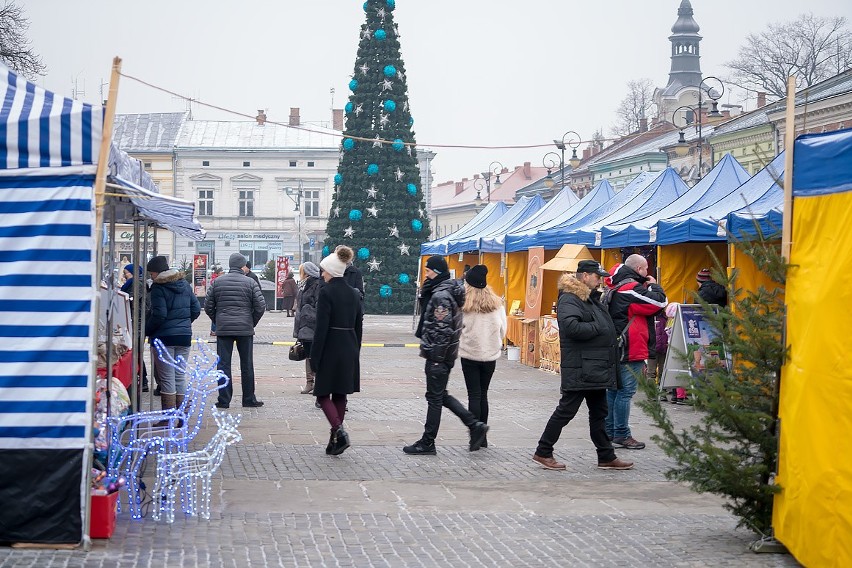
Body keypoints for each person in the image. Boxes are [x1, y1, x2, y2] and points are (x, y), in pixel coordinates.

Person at [532, 261, 634, 471]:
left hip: (594, 366)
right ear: (585, 276)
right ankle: (543, 451)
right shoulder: (570, 298)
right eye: (597, 276)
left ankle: (606, 456)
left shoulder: (589, 298)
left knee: (599, 412)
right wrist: (601, 327)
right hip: (582, 367)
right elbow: (571, 327)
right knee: (566, 410)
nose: (601, 280)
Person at [403, 255, 488, 456]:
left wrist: (436, 359)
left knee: (435, 398)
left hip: (438, 355)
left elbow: (441, 329)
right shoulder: (442, 291)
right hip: (442, 355)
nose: (426, 274)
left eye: (428, 270)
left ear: (437, 272)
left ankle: (428, 442)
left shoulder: (441, 296)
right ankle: (474, 425)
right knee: (440, 395)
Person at [606, 255, 668, 450]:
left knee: (613, 391)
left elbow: (647, 309)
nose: (647, 273)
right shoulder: (630, 288)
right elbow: (659, 303)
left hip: (616, 345)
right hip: (630, 347)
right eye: (646, 269)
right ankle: (622, 434)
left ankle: (609, 431)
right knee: (625, 392)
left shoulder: (614, 285)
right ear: (639, 268)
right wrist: (655, 286)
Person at [310, 246, 363, 455]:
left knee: (322, 394)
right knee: (340, 394)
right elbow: (359, 325)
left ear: (331, 271)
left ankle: (339, 432)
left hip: (331, 345)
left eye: (324, 270)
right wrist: (355, 349)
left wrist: (315, 356)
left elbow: (321, 328)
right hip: (349, 345)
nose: (322, 274)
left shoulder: (326, 292)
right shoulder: (354, 293)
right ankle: (335, 440)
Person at [206, 252, 266, 409]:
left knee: (223, 365)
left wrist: (218, 320)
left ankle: (224, 400)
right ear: (242, 265)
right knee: (247, 364)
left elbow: (208, 306)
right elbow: (260, 306)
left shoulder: (217, 282)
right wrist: (251, 322)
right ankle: (248, 399)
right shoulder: (250, 282)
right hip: (245, 329)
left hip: (224, 329)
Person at [144, 256, 201, 414]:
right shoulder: (184, 284)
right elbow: (196, 309)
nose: (151, 276)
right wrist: (183, 324)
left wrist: (147, 331)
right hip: (184, 337)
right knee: (179, 375)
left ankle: (168, 416)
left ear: (157, 272)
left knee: (167, 378)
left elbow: (159, 315)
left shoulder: (158, 287)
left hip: (164, 338)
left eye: (152, 273)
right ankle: (182, 414)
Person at [458, 265, 506, 450]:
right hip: (490, 354)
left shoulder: (464, 303)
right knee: (483, 394)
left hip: (470, 353)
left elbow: (458, 328)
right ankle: (483, 437)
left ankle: (474, 436)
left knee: (474, 395)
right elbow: (503, 329)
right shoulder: (496, 303)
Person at [293, 262, 322, 394]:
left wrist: (308, 314)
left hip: (311, 325)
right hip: (303, 326)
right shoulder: (302, 284)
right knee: (308, 354)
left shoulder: (316, 284)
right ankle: (310, 382)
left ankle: (316, 382)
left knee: (313, 355)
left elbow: (318, 305)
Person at [121, 264, 150, 392]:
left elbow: (133, 304)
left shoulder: (136, 284)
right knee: (136, 353)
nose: (124, 275)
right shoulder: (135, 283)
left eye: (126, 273)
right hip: (135, 323)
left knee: (136, 353)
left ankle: (143, 380)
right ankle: (142, 380)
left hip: (136, 324)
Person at [209, 266, 224, 337]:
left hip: (216, 300)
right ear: (218, 273)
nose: (223, 274)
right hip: (216, 300)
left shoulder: (215, 279)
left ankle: (214, 330)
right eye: (222, 272)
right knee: (215, 316)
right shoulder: (216, 280)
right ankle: (214, 330)